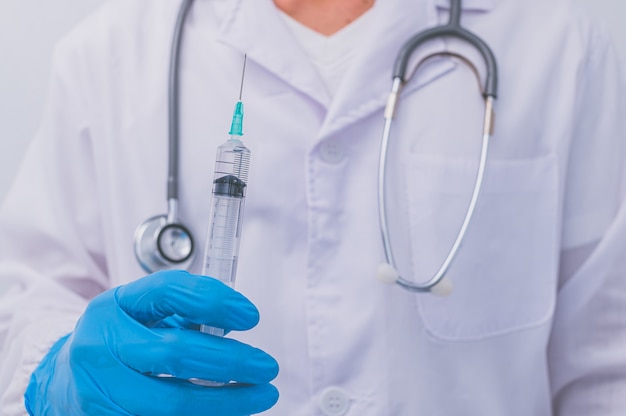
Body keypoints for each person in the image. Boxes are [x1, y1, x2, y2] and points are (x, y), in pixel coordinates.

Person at [2, 0, 626, 414]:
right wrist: (53, 374)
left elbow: (607, 370)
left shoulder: (561, 45)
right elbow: (27, 297)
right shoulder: (108, 56)